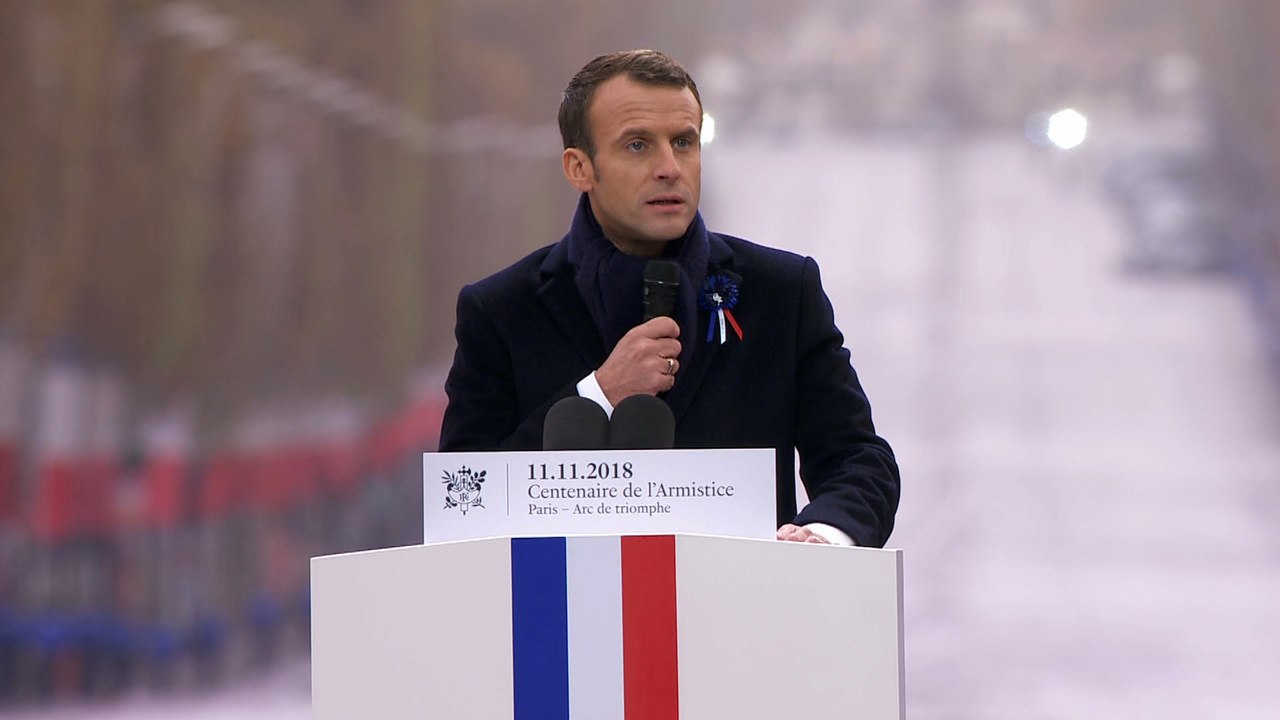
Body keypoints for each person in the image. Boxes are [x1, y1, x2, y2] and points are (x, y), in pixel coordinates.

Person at [439, 49, 898, 547]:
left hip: (743, 611)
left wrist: (822, 534)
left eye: (684, 142)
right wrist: (599, 394)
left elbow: (859, 459)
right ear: (579, 167)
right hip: (566, 615)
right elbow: (464, 499)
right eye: (637, 146)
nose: (669, 167)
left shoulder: (783, 291)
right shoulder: (501, 310)